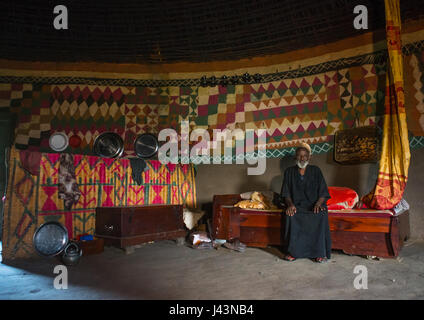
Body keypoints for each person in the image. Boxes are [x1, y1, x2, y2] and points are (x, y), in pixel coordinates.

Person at [280, 142, 332, 263]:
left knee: (320, 215)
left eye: (304, 155)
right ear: (295, 157)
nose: (302, 158)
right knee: (290, 215)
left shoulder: (316, 171)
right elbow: (286, 193)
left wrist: (318, 204)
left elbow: (323, 192)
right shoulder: (289, 172)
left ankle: (319, 253)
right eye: (299, 155)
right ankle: (293, 252)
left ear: (309, 157)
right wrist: (290, 205)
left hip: (314, 205)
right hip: (297, 206)